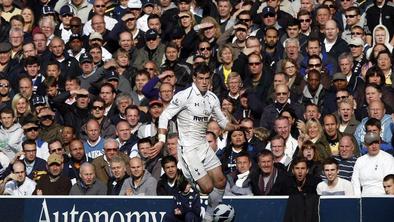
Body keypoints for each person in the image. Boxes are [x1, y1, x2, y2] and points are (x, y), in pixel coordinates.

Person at [158, 64, 239, 220]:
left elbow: (223, 123)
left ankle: (209, 216)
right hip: (188, 149)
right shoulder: (184, 96)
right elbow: (164, 116)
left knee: (221, 181)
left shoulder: (212, 98)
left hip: (203, 145)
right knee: (207, 187)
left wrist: (236, 126)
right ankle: (185, 180)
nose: (203, 82)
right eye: (200, 78)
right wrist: (161, 140)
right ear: (194, 78)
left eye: (206, 78)